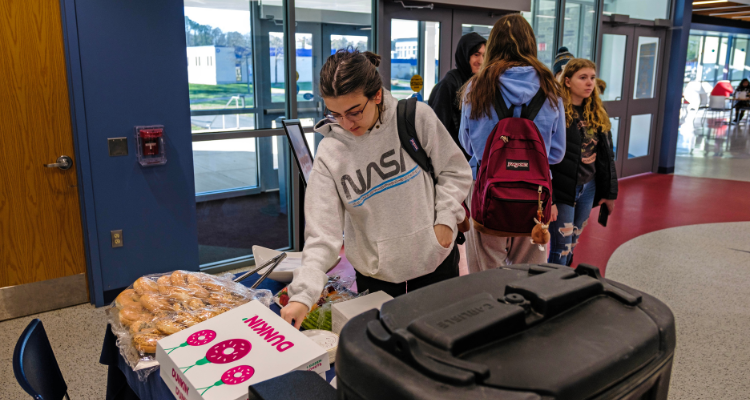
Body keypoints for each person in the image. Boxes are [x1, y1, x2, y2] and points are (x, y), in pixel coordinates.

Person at [281, 49, 473, 329]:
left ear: (377, 96)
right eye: (335, 114)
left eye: (354, 111)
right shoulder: (330, 154)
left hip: (436, 263)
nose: (346, 124)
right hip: (376, 279)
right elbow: (322, 234)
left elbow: (454, 171)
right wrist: (303, 294)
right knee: (388, 359)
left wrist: (445, 221)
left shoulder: (415, 118)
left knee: (442, 347)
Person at [459, 14, 566, 272]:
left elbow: (467, 144)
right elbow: (557, 153)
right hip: (535, 195)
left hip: (487, 189)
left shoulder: (476, 88)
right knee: (530, 274)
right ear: (530, 43)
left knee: (485, 275)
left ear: (493, 45)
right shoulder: (550, 89)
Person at [548, 58, 618, 266]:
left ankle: (564, 284)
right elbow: (545, 157)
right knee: (561, 246)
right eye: (583, 78)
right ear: (567, 81)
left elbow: (607, 157)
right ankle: (551, 290)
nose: (589, 83)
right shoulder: (555, 111)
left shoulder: (597, 112)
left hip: (589, 187)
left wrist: (610, 193)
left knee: (572, 243)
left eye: (592, 78)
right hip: (563, 189)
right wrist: (548, 199)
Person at [428, 32, 487, 160]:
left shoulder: (483, 83)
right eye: (476, 55)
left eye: (484, 55)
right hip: (453, 160)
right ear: (465, 56)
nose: (481, 61)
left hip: (475, 159)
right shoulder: (450, 83)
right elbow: (437, 127)